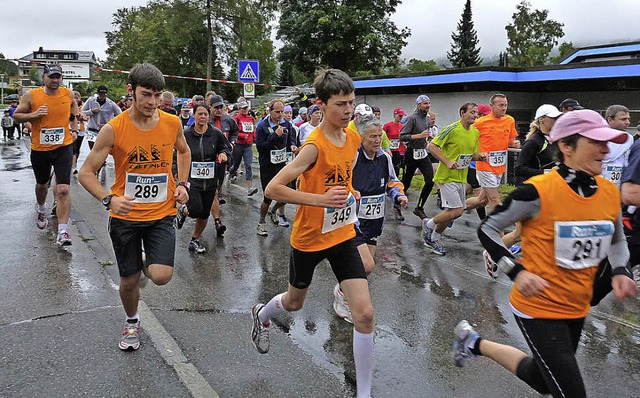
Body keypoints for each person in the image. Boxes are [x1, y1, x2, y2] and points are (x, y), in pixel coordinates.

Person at [453, 109, 638, 398]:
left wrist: (620, 270)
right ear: (566, 146)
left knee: (541, 379)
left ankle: (472, 342)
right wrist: (516, 271)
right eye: (597, 142)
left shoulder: (608, 192)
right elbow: (487, 229)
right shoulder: (537, 192)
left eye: (608, 142)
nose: (606, 149)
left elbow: (616, 241)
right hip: (537, 306)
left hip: (576, 305)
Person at [250, 68, 375, 398]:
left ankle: (363, 392)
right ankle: (262, 314)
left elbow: (340, 180)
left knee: (364, 314)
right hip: (309, 238)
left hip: (342, 233)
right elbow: (274, 188)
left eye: (351, 103)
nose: (348, 111)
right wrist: (320, 200)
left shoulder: (352, 138)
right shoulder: (312, 146)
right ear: (321, 105)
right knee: (294, 302)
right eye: (341, 105)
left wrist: (350, 193)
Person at [78, 63, 191, 351]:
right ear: (130, 91)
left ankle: (145, 263)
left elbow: (184, 150)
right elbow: (86, 173)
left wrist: (182, 184)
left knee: (162, 276)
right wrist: (109, 198)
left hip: (161, 214)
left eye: (157, 95)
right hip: (124, 217)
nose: (152, 102)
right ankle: (131, 322)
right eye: (146, 94)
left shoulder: (171, 122)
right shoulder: (113, 129)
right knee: (128, 281)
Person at [332, 113, 408, 322]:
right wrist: (350, 192)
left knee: (366, 266)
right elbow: (340, 182)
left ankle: (342, 289)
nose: (376, 141)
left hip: (374, 221)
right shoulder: (353, 157)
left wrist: (398, 195)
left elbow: (392, 182)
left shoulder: (385, 158)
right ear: (361, 138)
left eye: (378, 136)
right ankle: (345, 298)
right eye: (371, 137)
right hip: (352, 220)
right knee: (366, 265)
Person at [13, 64, 79, 245]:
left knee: (63, 188)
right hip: (40, 149)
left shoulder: (68, 94)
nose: (55, 80)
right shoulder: (32, 95)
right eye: (52, 77)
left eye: (58, 77)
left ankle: (63, 232)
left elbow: (73, 113)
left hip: (63, 147)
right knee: (42, 185)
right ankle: (41, 208)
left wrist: (74, 128)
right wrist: (34, 115)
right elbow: (17, 116)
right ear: (44, 77)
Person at [422, 103, 484, 255]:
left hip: (461, 177)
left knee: (450, 213)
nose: (475, 115)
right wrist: (447, 161)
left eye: (476, 113)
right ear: (462, 113)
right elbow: (431, 146)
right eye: (472, 112)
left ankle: (434, 239)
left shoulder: (475, 132)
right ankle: (428, 224)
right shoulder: (451, 129)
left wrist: (481, 156)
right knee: (457, 211)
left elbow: (473, 154)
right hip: (446, 177)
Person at [174, 104, 230, 250]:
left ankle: (195, 239)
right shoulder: (186, 134)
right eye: (200, 114)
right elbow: (176, 154)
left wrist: (224, 154)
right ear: (194, 116)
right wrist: (176, 172)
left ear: (208, 116)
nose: (203, 117)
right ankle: (184, 210)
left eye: (205, 114)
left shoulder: (216, 133)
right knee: (195, 209)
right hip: (192, 179)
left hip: (211, 180)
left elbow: (225, 147)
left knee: (205, 214)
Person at [465, 93, 520, 215]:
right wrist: (477, 153)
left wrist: (514, 143)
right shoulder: (480, 123)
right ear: (492, 106)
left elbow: (511, 139)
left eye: (505, 105)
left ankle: (455, 210)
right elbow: (469, 140)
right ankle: (498, 233)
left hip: (499, 167)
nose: (504, 108)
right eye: (501, 105)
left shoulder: (509, 120)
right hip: (484, 166)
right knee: (495, 200)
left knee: (482, 201)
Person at [255, 99, 291, 235]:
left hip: (282, 165)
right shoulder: (262, 126)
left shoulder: (286, 124)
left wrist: (292, 146)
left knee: (287, 194)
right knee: (267, 197)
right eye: (277, 112)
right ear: (270, 111)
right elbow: (261, 147)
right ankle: (261, 223)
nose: (280, 115)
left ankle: (274, 211)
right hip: (267, 165)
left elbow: (290, 140)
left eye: (282, 112)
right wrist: (275, 136)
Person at [400, 95, 434, 220]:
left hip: (423, 153)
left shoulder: (427, 118)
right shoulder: (412, 118)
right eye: (425, 103)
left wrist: (428, 138)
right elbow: (402, 136)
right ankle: (397, 205)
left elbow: (424, 134)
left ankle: (419, 208)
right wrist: (418, 136)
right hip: (411, 153)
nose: (428, 105)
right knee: (406, 182)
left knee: (430, 181)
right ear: (418, 105)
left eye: (429, 103)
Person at [209, 94, 238, 232]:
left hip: (224, 159)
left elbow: (235, 132)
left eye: (221, 107)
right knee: (212, 190)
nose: (219, 110)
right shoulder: (205, 120)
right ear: (210, 107)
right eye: (216, 108)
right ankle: (216, 220)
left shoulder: (229, 120)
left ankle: (215, 196)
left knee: (218, 186)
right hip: (208, 160)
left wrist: (232, 143)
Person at [229, 101, 258, 196]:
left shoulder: (251, 118)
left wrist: (254, 137)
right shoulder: (236, 119)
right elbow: (233, 132)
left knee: (248, 165)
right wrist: (242, 135)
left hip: (248, 146)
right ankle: (229, 175)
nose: (245, 110)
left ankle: (250, 188)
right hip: (238, 145)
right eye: (243, 108)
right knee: (236, 165)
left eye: (246, 108)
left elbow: (253, 130)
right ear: (240, 109)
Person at [82, 85, 122, 151]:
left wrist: (109, 124)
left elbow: (120, 115)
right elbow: (82, 112)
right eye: (101, 94)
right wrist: (91, 111)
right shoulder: (91, 101)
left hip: (104, 130)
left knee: (102, 151)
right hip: (91, 130)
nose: (102, 96)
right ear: (97, 93)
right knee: (92, 150)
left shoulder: (111, 104)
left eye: (104, 94)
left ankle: (102, 161)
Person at [602, 104, 633, 187]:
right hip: (601, 184)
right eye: (623, 119)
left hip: (620, 186)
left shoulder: (629, 138)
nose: (627, 122)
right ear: (610, 120)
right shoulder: (598, 138)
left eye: (628, 119)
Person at [71, 90, 89, 174]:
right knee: (73, 148)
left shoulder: (83, 106)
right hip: (71, 129)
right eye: (74, 98)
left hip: (81, 129)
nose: (75, 100)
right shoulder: (69, 105)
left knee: (77, 149)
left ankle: (75, 163)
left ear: (79, 98)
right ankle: (73, 166)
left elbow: (87, 118)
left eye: (77, 98)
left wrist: (81, 117)